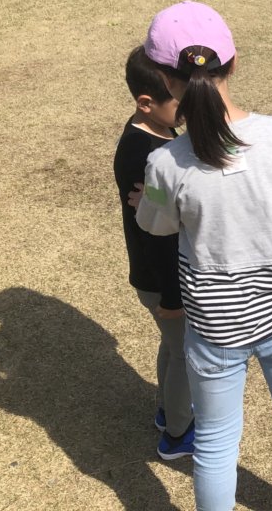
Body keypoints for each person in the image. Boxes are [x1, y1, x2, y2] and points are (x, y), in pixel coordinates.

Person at [134, 1, 272, 511]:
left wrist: (148, 201)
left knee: (215, 439)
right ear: (234, 63)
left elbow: (154, 225)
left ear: (165, 79)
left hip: (215, 324)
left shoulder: (164, 164)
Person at [113, 46, 195, 460]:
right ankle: (179, 434)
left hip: (156, 277)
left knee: (172, 346)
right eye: (178, 100)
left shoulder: (155, 134)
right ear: (145, 103)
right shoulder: (145, 153)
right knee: (185, 354)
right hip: (163, 278)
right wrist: (173, 298)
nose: (186, 108)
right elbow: (158, 233)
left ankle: (166, 411)